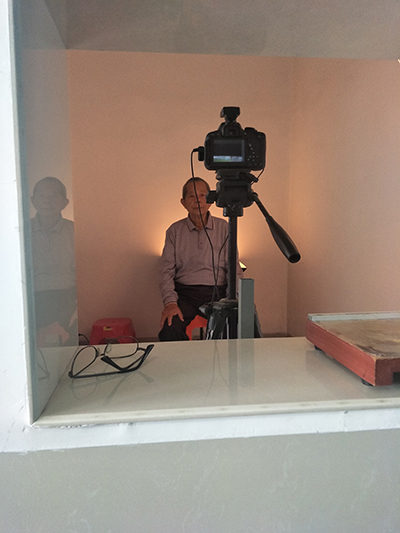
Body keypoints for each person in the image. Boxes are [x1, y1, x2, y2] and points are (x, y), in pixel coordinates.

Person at [158, 177, 241, 341]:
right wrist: (170, 303)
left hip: (218, 293)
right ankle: (185, 359)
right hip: (185, 295)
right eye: (192, 196)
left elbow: (234, 270)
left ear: (210, 200)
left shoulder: (225, 228)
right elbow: (165, 272)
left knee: (237, 324)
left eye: (203, 195)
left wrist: (233, 299)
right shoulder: (174, 231)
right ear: (183, 202)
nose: (198, 200)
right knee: (170, 328)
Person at [30, 177, 77, 346]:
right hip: (31, 300)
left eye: (54, 196)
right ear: (33, 200)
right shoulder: (21, 231)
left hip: (67, 299)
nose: (47, 201)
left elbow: (86, 274)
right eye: (42, 195)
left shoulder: (75, 231)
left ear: (65, 202)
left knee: (67, 347)